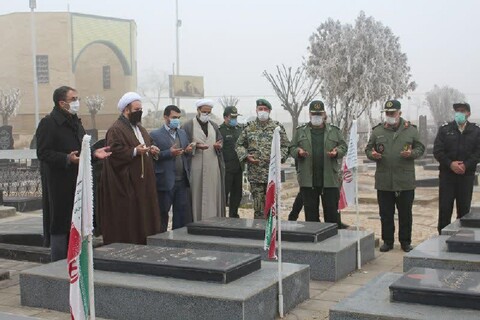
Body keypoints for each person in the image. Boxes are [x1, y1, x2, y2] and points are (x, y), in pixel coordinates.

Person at [36, 86, 111, 261]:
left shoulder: (75, 122)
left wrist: (93, 154)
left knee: (78, 222)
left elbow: (81, 149)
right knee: (61, 224)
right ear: (62, 103)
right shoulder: (49, 123)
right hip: (59, 184)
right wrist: (67, 159)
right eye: (74, 99)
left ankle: (77, 262)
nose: (77, 103)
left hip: (78, 181)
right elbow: (43, 153)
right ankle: (58, 264)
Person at [99, 92, 161, 245]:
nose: (140, 112)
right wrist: (134, 151)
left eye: (141, 109)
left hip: (144, 181)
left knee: (145, 214)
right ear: (126, 110)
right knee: (131, 217)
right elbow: (113, 151)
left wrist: (152, 148)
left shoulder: (140, 128)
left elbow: (147, 143)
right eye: (136, 109)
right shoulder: (116, 129)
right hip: (127, 183)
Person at [365, 100, 425, 252]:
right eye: (387, 113)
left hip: (405, 180)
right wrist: (372, 155)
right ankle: (388, 241)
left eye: (392, 113)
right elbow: (368, 149)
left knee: (405, 213)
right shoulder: (378, 131)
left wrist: (412, 153)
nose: (390, 116)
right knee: (386, 213)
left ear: (400, 113)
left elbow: (420, 147)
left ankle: (405, 241)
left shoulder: (411, 130)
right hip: (384, 179)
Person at [289, 100, 347, 227]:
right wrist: (298, 151)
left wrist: (337, 152)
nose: (316, 116)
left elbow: (343, 146)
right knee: (311, 217)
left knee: (332, 215)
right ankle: (314, 244)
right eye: (314, 114)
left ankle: (333, 242)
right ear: (309, 114)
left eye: (319, 114)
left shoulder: (334, 131)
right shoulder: (300, 131)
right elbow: (291, 148)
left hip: (329, 179)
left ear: (324, 114)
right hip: (308, 180)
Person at [236, 98, 289, 218]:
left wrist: (279, 158)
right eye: (260, 109)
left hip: (273, 175)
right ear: (256, 110)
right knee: (259, 209)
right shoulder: (249, 128)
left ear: (269, 111)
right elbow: (239, 145)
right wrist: (246, 156)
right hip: (256, 175)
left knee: (273, 208)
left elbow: (286, 146)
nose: (263, 111)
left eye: (265, 109)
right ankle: (259, 231)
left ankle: (273, 234)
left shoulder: (277, 127)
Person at [433, 102, 480, 234]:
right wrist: (450, 164)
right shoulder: (445, 129)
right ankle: (442, 237)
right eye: (457, 111)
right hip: (447, 176)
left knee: (464, 210)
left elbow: (478, 152)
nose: (459, 113)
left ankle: (463, 239)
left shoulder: (476, 131)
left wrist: (466, 165)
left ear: (468, 113)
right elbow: (438, 151)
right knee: (445, 208)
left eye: (462, 111)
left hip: (466, 176)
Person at [150, 105, 193, 232]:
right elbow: (153, 156)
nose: (177, 120)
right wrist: (169, 153)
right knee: (162, 213)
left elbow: (184, 151)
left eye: (179, 118)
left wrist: (187, 150)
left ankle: (178, 240)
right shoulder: (155, 135)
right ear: (165, 117)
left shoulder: (182, 133)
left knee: (181, 214)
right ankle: (160, 239)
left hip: (181, 180)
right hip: (165, 181)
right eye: (174, 117)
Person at [182, 99, 226, 221]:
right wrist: (195, 145)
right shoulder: (188, 126)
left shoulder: (214, 126)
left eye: (209, 112)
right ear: (198, 110)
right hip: (195, 167)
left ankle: (213, 220)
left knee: (212, 195)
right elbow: (183, 146)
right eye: (204, 112)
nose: (206, 114)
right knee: (196, 195)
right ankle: (196, 221)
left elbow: (220, 141)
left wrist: (219, 146)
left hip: (213, 166)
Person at [219, 106, 244, 218]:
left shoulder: (240, 129)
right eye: (232, 117)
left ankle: (234, 215)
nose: (234, 119)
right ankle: (221, 215)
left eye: (236, 117)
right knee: (224, 194)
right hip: (226, 168)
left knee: (237, 194)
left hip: (239, 167)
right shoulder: (220, 130)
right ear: (225, 117)